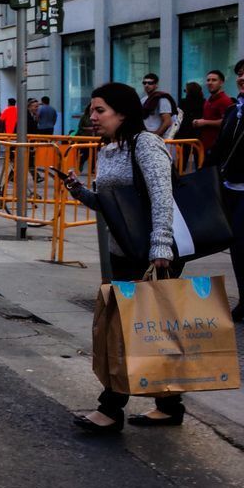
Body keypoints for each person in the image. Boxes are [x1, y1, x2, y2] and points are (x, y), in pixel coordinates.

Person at [62, 82, 183, 432]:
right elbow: (112, 206)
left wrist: (160, 247)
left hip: (150, 255)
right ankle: (170, 404)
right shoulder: (111, 148)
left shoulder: (146, 144)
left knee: (126, 332)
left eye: (100, 110)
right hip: (124, 252)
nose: (93, 116)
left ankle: (111, 409)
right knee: (148, 331)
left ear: (123, 113)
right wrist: (80, 191)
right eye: (92, 110)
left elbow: (163, 197)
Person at [206, 58, 244, 323]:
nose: (241, 78)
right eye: (240, 74)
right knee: (238, 249)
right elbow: (220, 148)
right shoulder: (233, 111)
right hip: (230, 187)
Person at [193, 69, 233, 152]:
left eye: (214, 80)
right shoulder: (209, 100)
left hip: (217, 147)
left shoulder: (225, 100)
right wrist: (199, 122)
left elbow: (227, 122)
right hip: (204, 145)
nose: (210, 82)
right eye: (208, 80)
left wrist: (204, 122)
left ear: (221, 83)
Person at [141, 73, 175, 137]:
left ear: (156, 85)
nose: (146, 85)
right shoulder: (143, 100)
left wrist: (156, 135)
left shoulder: (162, 99)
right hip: (146, 135)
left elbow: (167, 122)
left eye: (150, 83)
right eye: (144, 83)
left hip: (158, 137)